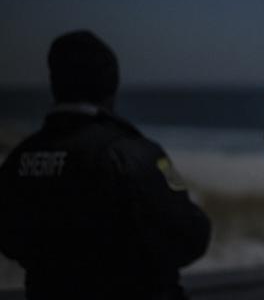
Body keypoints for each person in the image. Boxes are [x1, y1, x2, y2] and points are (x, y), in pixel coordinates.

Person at [0, 30, 211, 300]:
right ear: (111, 86)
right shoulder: (132, 155)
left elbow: (9, 239)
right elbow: (190, 235)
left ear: (55, 83)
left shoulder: (21, 158)